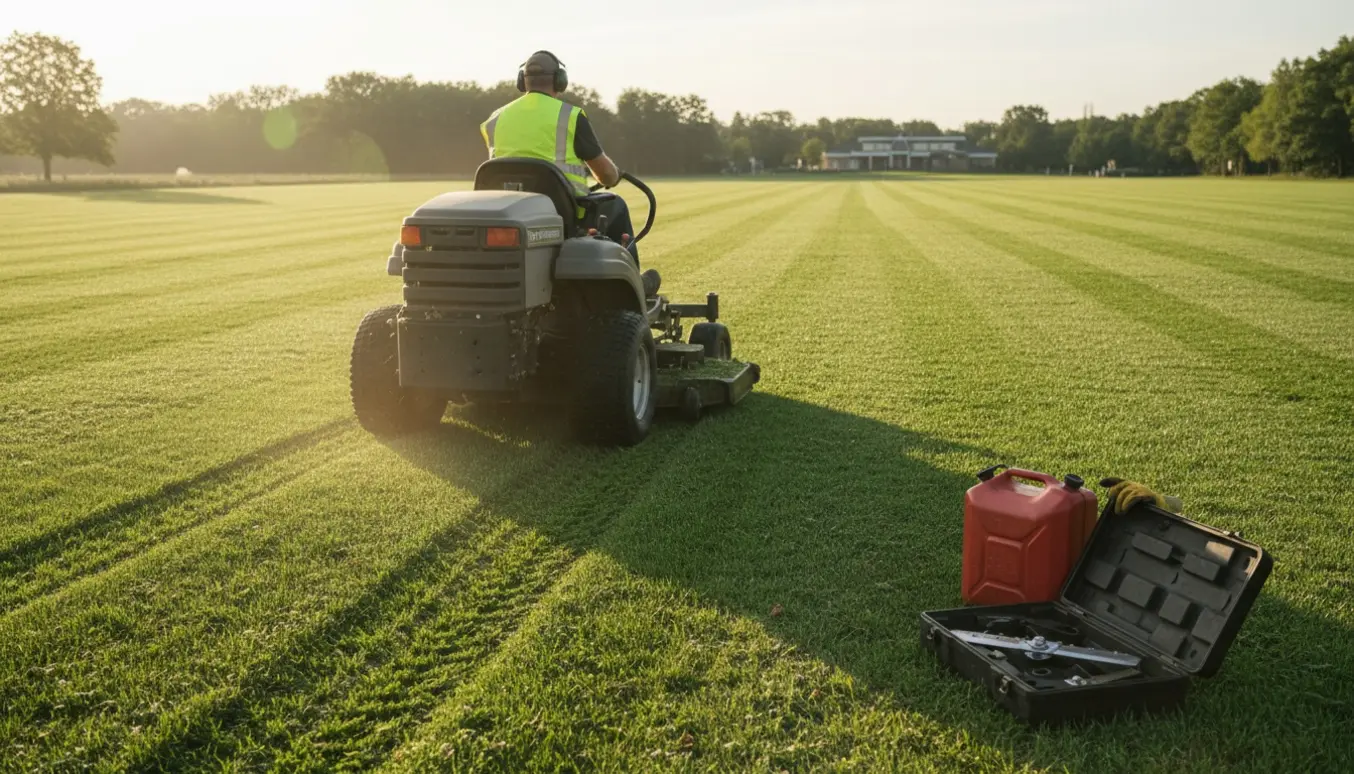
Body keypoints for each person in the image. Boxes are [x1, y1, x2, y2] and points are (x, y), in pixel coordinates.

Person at [480, 51, 657, 296]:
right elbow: (605, 176)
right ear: (560, 81)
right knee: (616, 206)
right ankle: (634, 289)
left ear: (522, 81)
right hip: (564, 216)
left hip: (506, 215)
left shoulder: (495, 119)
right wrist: (614, 175)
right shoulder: (570, 116)